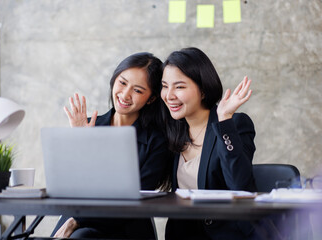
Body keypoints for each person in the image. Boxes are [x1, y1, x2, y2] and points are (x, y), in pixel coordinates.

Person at [51, 52, 171, 239]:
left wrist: (77, 221)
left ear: (151, 98)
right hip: (77, 219)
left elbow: (134, 200)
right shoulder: (90, 126)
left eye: (137, 90)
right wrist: (79, 143)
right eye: (122, 83)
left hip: (124, 226)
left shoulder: (157, 141)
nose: (125, 94)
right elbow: (69, 188)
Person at [160, 47, 258, 240]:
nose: (169, 95)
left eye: (179, 87)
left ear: (203, 90)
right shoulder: (172, 131)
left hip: (229, 235)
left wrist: (224, 121)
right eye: (164, 86)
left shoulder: (234, 124)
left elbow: (241, 186)